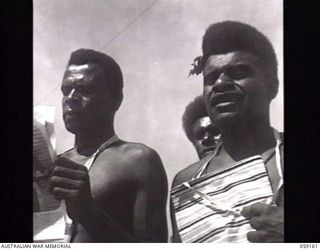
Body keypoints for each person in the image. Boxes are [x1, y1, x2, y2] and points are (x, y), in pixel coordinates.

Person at [171, 21, 283, 243]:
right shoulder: (186, 184)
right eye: (211, 79)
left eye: (238, 72)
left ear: (272, 86)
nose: (221, 84)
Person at [49, 49, 168, 242]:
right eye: (65, 90)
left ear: (116, 100)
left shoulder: (138, 161)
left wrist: (89, 213)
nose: (70, 98)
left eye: (85, 89)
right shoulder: (53, 165)